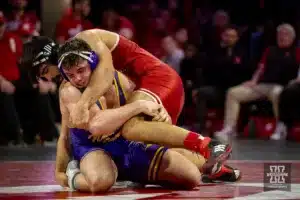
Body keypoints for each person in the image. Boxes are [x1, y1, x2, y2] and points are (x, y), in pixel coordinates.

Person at [22, 31, 232, 166]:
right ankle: (213, 167)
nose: (47, 79)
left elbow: (105, 72)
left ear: (45, 61)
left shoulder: (85, 40)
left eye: (43, 73)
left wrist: (84, 105)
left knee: (130, 128)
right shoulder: (76, 74)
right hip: (144, 88)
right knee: (155, 150)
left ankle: (210, 145)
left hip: (157, 78)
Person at [56, 70, 241, 192]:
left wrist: (159, 113)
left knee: (191, 177)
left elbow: (145, 112)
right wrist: (60, 172)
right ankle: (75, 176)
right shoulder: (70, 90)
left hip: (123, 145)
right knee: (101, 181)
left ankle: (209, 167)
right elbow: (94, 127)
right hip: (93, 149)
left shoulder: (122, 82)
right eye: (72, 74)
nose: (78, 78)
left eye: (82, 70)